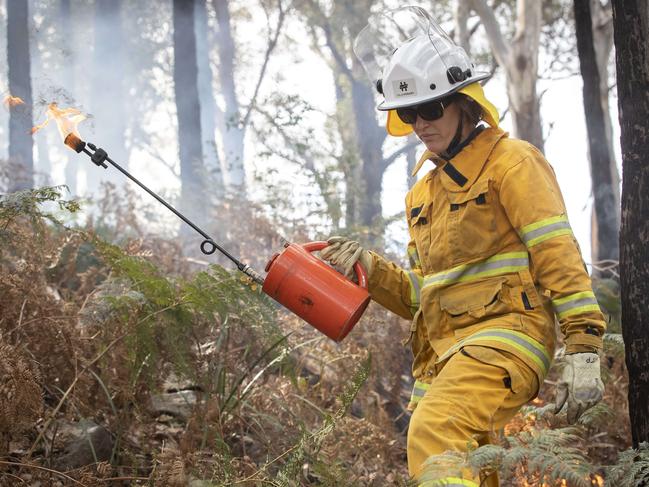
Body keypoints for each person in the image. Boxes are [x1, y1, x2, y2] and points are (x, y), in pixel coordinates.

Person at [319, 7, 606, 486]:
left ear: (465, 103)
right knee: (476, 468)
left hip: (508, 338)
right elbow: (422, 295)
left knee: (435, 433)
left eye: (431, 109)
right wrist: (368, 267)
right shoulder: (421, 195)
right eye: (409, 113)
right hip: (449, 355)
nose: (420, 124)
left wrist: (584, 344)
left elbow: (557, 252)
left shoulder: (512, 163)